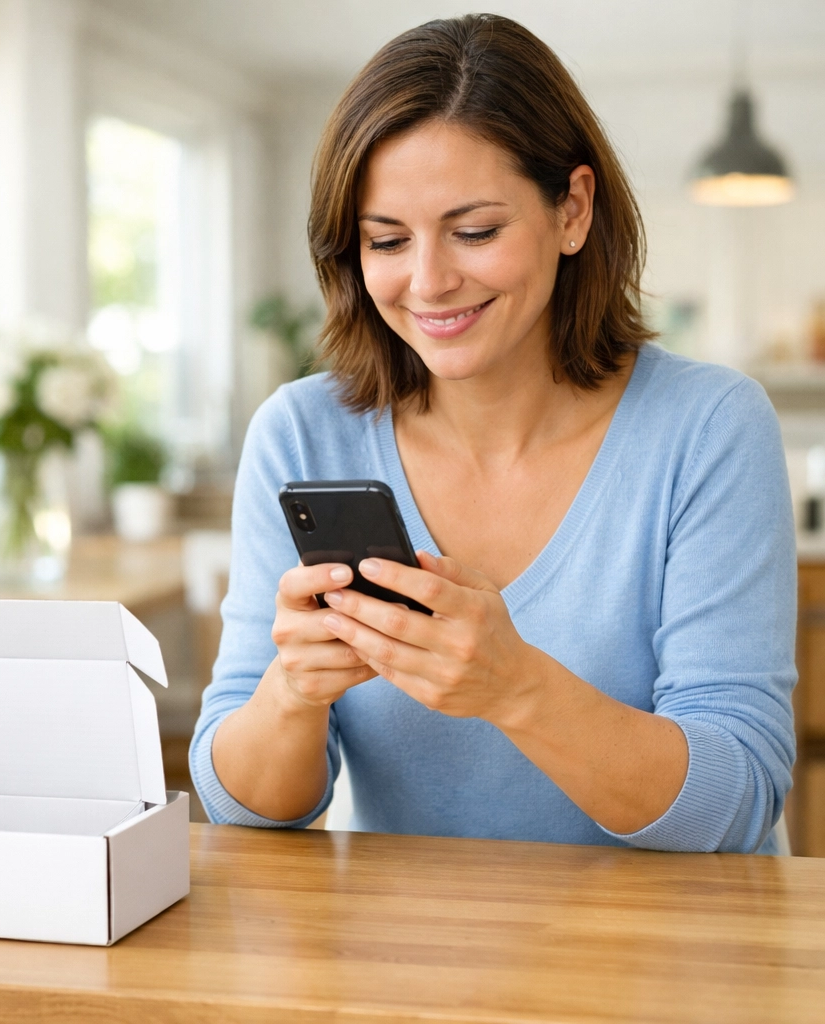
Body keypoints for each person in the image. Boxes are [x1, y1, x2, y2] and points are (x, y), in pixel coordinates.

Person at [189, 14, 796, 852]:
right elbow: (244, 811)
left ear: (572, 209)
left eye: (474, 232)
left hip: (668, 934)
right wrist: (292, 692)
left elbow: (738, 801)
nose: (429, 281)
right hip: (413, 933)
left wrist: (516, 689)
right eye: (387, 240)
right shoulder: (302, 433)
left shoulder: (709, 428)